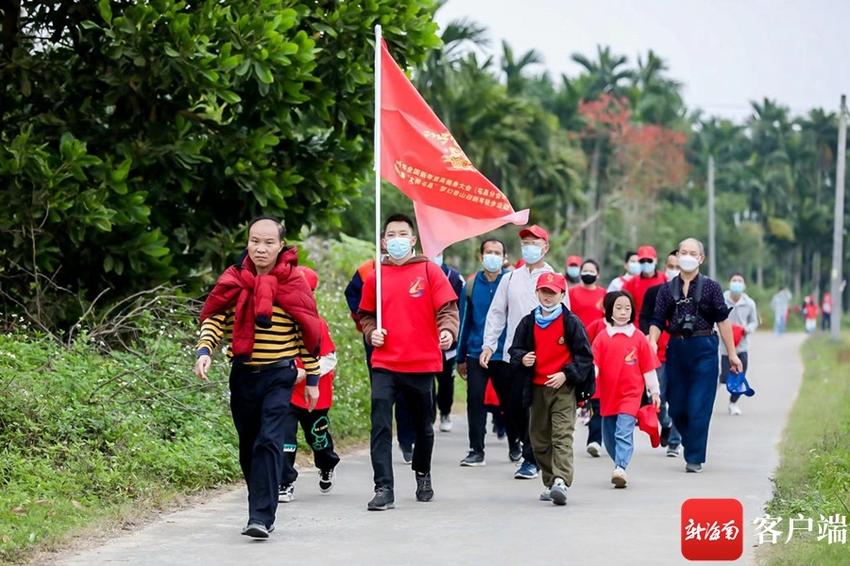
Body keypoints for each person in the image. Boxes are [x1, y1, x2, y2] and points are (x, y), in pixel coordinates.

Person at [194, 216, 322, 539]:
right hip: (243, 375)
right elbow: (215, 318)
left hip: (280, 375)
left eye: (268, 243)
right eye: (254, 241)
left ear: (281, 245)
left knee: (269, 440)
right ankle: (259, 503)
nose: (260, 248)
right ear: (247, 243)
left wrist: (312, 380)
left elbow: (308, 332)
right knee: (249, 444)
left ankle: (261, 516)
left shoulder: (294, 282)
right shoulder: (235, 279)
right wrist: (205, 350)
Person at [358, 214, 459, 511]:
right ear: (383, 241)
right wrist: (370, 332)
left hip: (421, 362)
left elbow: (448, 310)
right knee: (379, 423)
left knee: (423, 427)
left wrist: (446, 331)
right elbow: (365, 315)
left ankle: (422, 472)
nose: (397, 239)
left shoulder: (429, 271)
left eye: (403, 234)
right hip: (385, 362)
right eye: (391, 234)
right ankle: (383, 487)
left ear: (413, 240)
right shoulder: (375, 276)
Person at [649, 238, 743, 474]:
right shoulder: (666, 289)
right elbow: (658, 320)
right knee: (677, 405)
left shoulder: (711, 287)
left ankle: (694, 457)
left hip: (705, 348)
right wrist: (651, 341)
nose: (687, 256)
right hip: (677, 348)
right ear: (677, 256)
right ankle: (688, 441)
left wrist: (732, 354)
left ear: (701, 258)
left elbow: (722, 320)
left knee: (699, 405)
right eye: (683, 252)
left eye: (693, 253)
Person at [481, 224, 562, 480]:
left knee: (536, 408)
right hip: (515, 354)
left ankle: (531, 458)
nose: (529, 248)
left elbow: (567, 318)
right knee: (514, 406)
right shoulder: (511, 278)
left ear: (545, 248)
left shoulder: (554, 279)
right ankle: (529, 448)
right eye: (525, 243)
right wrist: (489, 344)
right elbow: (496, 313)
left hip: (546, 355)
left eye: (535, 244)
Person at [509, 273, 594, 505]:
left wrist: (566, 374)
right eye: (544, 291)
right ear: (537, 293)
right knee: (538, 440)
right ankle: (550, 481)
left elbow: (585, 357)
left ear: (562, 295)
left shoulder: (571, 322)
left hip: (563, 389)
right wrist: (523, 357)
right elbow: (514, 350)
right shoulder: (528, 322)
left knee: (562, 435)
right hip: (536, 389)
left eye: (552, 292)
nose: (547, 296)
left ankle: (561, 481)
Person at [279, 267, 341, 503]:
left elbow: (329, 358)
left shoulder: (317, 324)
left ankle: (326, 464)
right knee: (285, 437)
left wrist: (305, 373)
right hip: (285, 392)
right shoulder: (278, 321)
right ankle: (285, 482)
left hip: (315, 393)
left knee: (318, 438)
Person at [345, 258, 416, 463]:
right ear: (382, 241)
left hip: (405, 338)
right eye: (390, 236)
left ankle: (407, 440)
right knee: (381, 394)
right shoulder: (367, 269)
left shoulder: (415, 268)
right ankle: (381, 448)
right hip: (376, 337)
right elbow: (352, 296)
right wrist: (368, 321)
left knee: (404, 392)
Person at [456, 238, 517, 467]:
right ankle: (476, 450)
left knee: (509, 403)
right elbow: (464, 323)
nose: (492, 256)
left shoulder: (511, 284)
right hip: (475, 353)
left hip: (505, 354)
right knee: (475, 401)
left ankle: (515, 444)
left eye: (497, 252)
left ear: (504, 258)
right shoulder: (471, 286)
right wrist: (461, 358)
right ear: (481, 257)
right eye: (488, 252)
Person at [592, 291, 660, 488]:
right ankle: (618, 463)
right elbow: (594, 366)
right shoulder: (602, 338)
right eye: (618, 308)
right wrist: (587, 385)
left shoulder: (639, 337)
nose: (623, 312)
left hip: (631, 395)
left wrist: (654, 391)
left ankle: (621, 466)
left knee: (624, 431)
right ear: (609, 311)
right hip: (608, 395)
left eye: (627, 308)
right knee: (609, 436)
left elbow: (648, 367)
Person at [639, 250, 682, 457]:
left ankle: (675, 440)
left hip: (682, 353)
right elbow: (644, 317)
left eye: (678, 266)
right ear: (665, 268)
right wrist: (650, 337)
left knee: (678, 397)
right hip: (659, 354)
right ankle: (665, 422)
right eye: (671, 266)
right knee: (658, 396)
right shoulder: (655, 292)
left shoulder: (694, 294)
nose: (674, 270)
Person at [567, 259, 606, 457]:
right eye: (585, 270)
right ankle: (564, 434)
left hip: (598, 351)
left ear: (598, 274)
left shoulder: (603, 295)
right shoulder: (572, 293)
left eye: (592, 270)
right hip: (575, 348)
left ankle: (595, 439)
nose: (588, 273)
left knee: (596, 397)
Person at [431, 254, 465, 432]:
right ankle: (429, 416)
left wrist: (453, 332)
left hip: (448, 341)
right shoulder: (420, 274)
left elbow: (459, 308)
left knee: (445, 381)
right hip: (426, 340)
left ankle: (445, 412)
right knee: (426, 382)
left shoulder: (454, 277)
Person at [720, 273, 759, 416]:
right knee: (722, 377)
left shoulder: (749, 303)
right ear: (729, 283)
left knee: (740, 376)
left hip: (741, 346)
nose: (736, 283)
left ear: (744, 285)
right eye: (734, 280)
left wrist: (748, 329)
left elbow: (754, 321)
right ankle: (708, 402)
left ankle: (733, 403)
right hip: (723, 347)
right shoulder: (721, 300)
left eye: (739, 281)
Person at [623, 245, 667, 316]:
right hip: (638, 323)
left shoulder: (665, 279)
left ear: (656, 260)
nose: (646, 263)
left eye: (649, 260)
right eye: (642, 261)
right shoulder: (631, 283)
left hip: (661, 323)